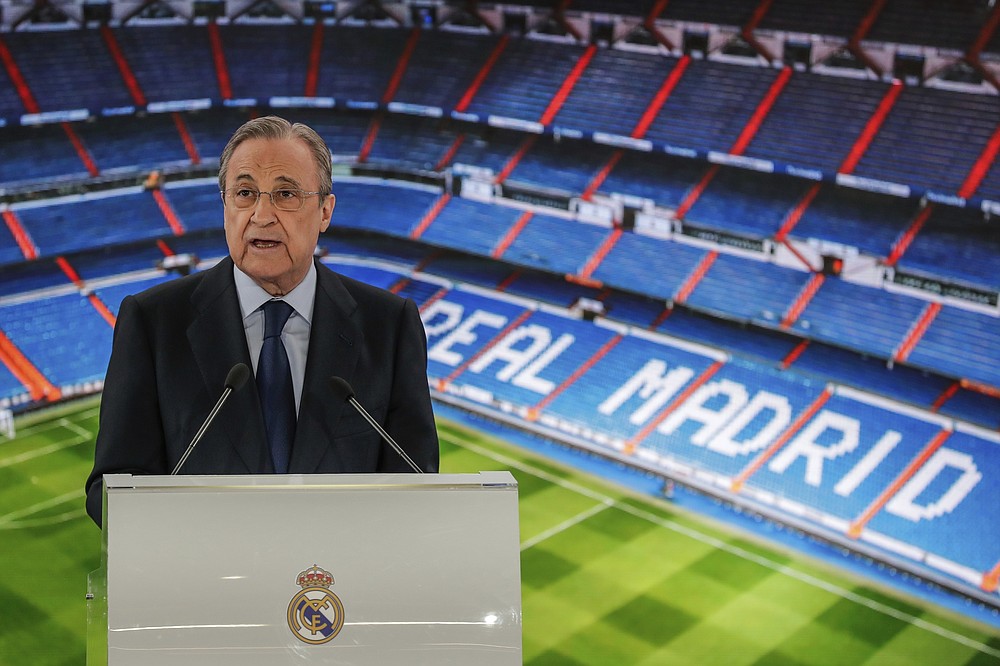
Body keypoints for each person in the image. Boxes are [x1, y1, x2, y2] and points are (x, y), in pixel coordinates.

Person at [85, 116, 439, 526]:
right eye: (245, 193)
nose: (261, 214)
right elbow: (111, 491)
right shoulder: (152, 322)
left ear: (325, 211)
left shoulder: (390, 326)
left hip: (335, 588)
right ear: (224, 206)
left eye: (285, 194)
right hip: (207, 584)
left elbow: (417, 487)